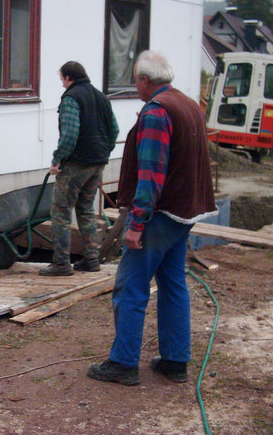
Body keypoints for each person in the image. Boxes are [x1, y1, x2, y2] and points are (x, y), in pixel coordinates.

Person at [88, 50, 217, 386]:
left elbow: (151, 174)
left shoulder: (158, 112)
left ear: (145, 80)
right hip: (183, 214)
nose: (136, 86)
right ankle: (175, 362)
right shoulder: (188, 105)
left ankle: (124, 363)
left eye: (136, 80)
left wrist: (137, 223)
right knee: (173, 286)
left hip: (158, 216)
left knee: (131, 287)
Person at [39, 61, 119, 277]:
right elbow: (114, 129)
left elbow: (70, 133)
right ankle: (91, 258)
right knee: (85, 209)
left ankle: (61, 262)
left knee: (61, 211)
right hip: (97, 163)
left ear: (68, 78)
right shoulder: (101, 97)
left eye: (61, 80)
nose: (62, 85)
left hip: (77, 164)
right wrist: (104, 151)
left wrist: (57, 159)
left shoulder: (71, 98)